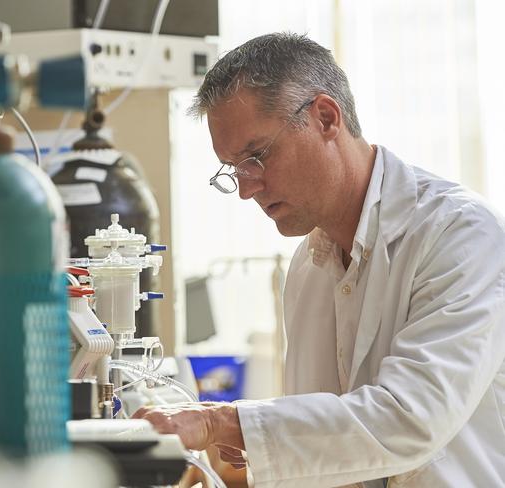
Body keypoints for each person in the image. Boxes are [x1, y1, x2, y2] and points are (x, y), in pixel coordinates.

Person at [132, 32, 505, 487]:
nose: (247, 188)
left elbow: (410, 419)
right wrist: (254, 440)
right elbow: (335, 450)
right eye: (234, 169)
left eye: (256, 156)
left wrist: (221, 422)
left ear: (326, 118)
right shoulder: (308, 267)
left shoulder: (461, 234)